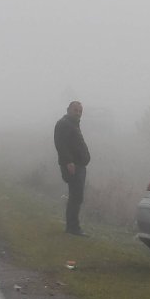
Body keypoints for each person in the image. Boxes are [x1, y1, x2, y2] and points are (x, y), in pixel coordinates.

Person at [53, 101, 91, 236]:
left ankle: (73, 226)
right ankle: (73, 227)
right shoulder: (64, 124)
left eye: (80, 111)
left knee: (76, 196)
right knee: (76, 196)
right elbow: (60, 144)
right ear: (68, 109)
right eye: (75, 110)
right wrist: (68, 162)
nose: (78, 113)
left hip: (79, 165)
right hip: (73, 166)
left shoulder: (73, 124)